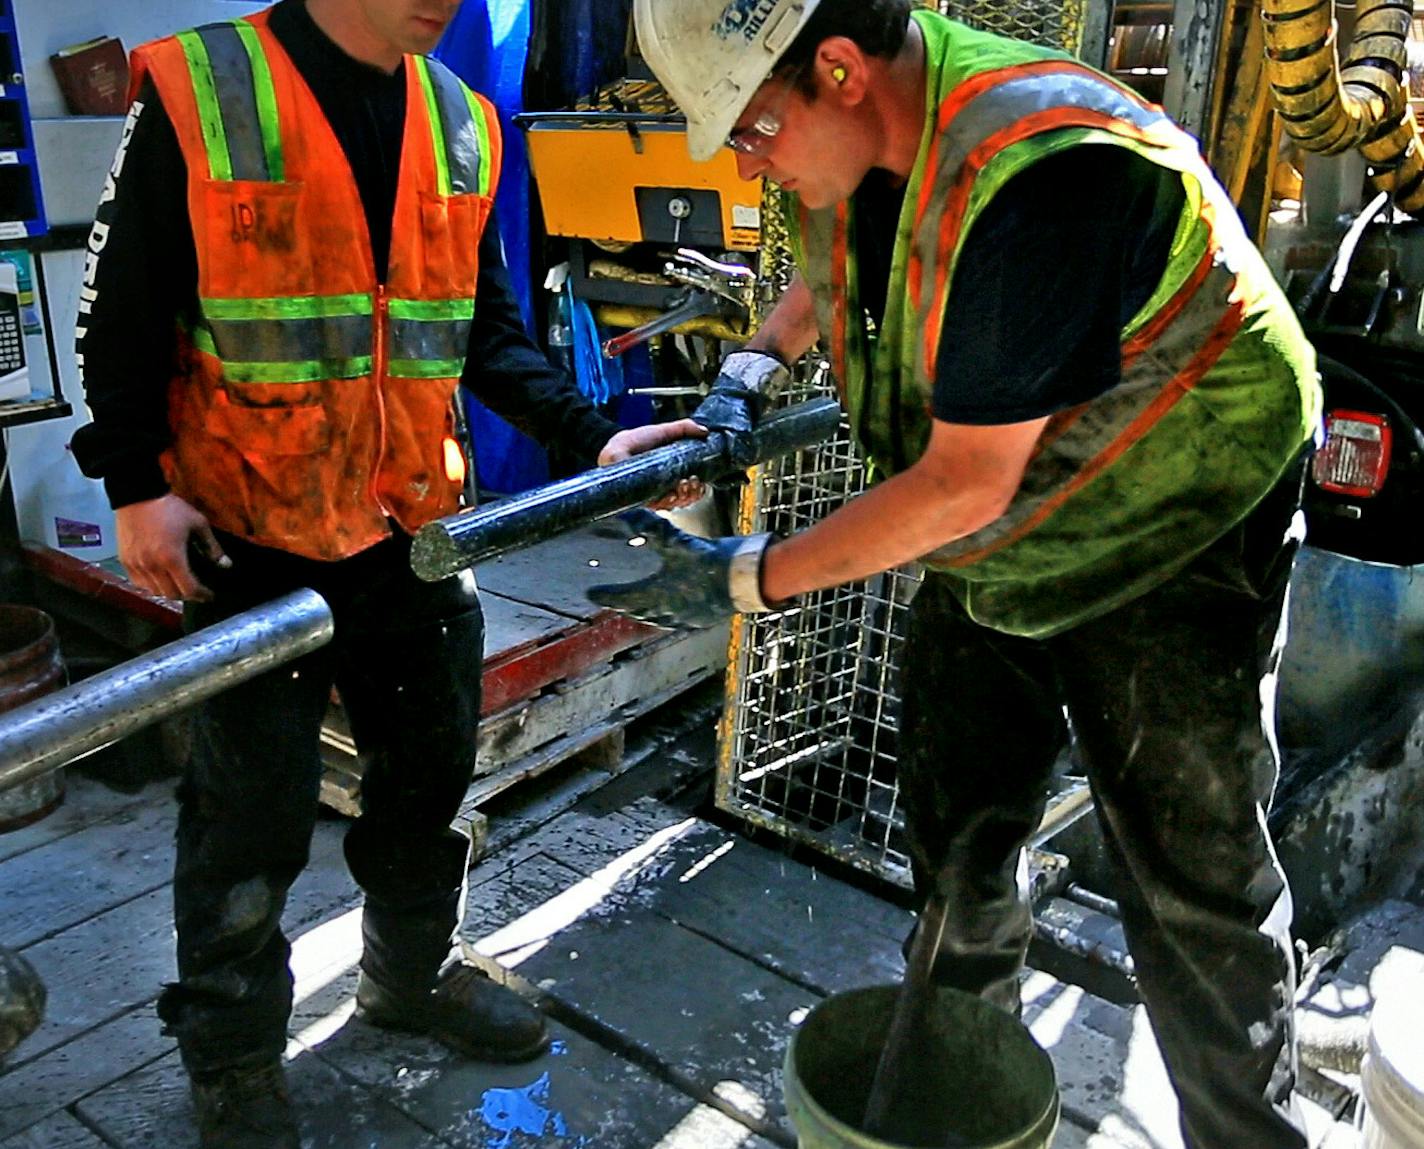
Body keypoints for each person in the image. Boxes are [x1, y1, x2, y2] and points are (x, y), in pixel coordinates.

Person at [590, 2, 1321, 1147]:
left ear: (835, 69)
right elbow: (832, 253)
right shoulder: (858, 133)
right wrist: (736, 384)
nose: (748, 158)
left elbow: (958, 487)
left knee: (1192, 886)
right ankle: (950, 1103)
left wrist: (740, 577)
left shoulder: (1043, 172)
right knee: (960, 838)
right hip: (1011, 530)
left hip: (1176, 521)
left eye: (751, 131)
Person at [69, 1, 699, 1145]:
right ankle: (235, 1057)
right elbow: (119, 308)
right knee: (243, 819)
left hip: (410, 534)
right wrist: (129, 484)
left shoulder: (459, 119)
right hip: (241, 535)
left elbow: (479, 327)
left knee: (425, 782)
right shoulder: (208, 88)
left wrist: (588, 433)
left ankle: (405, 978)